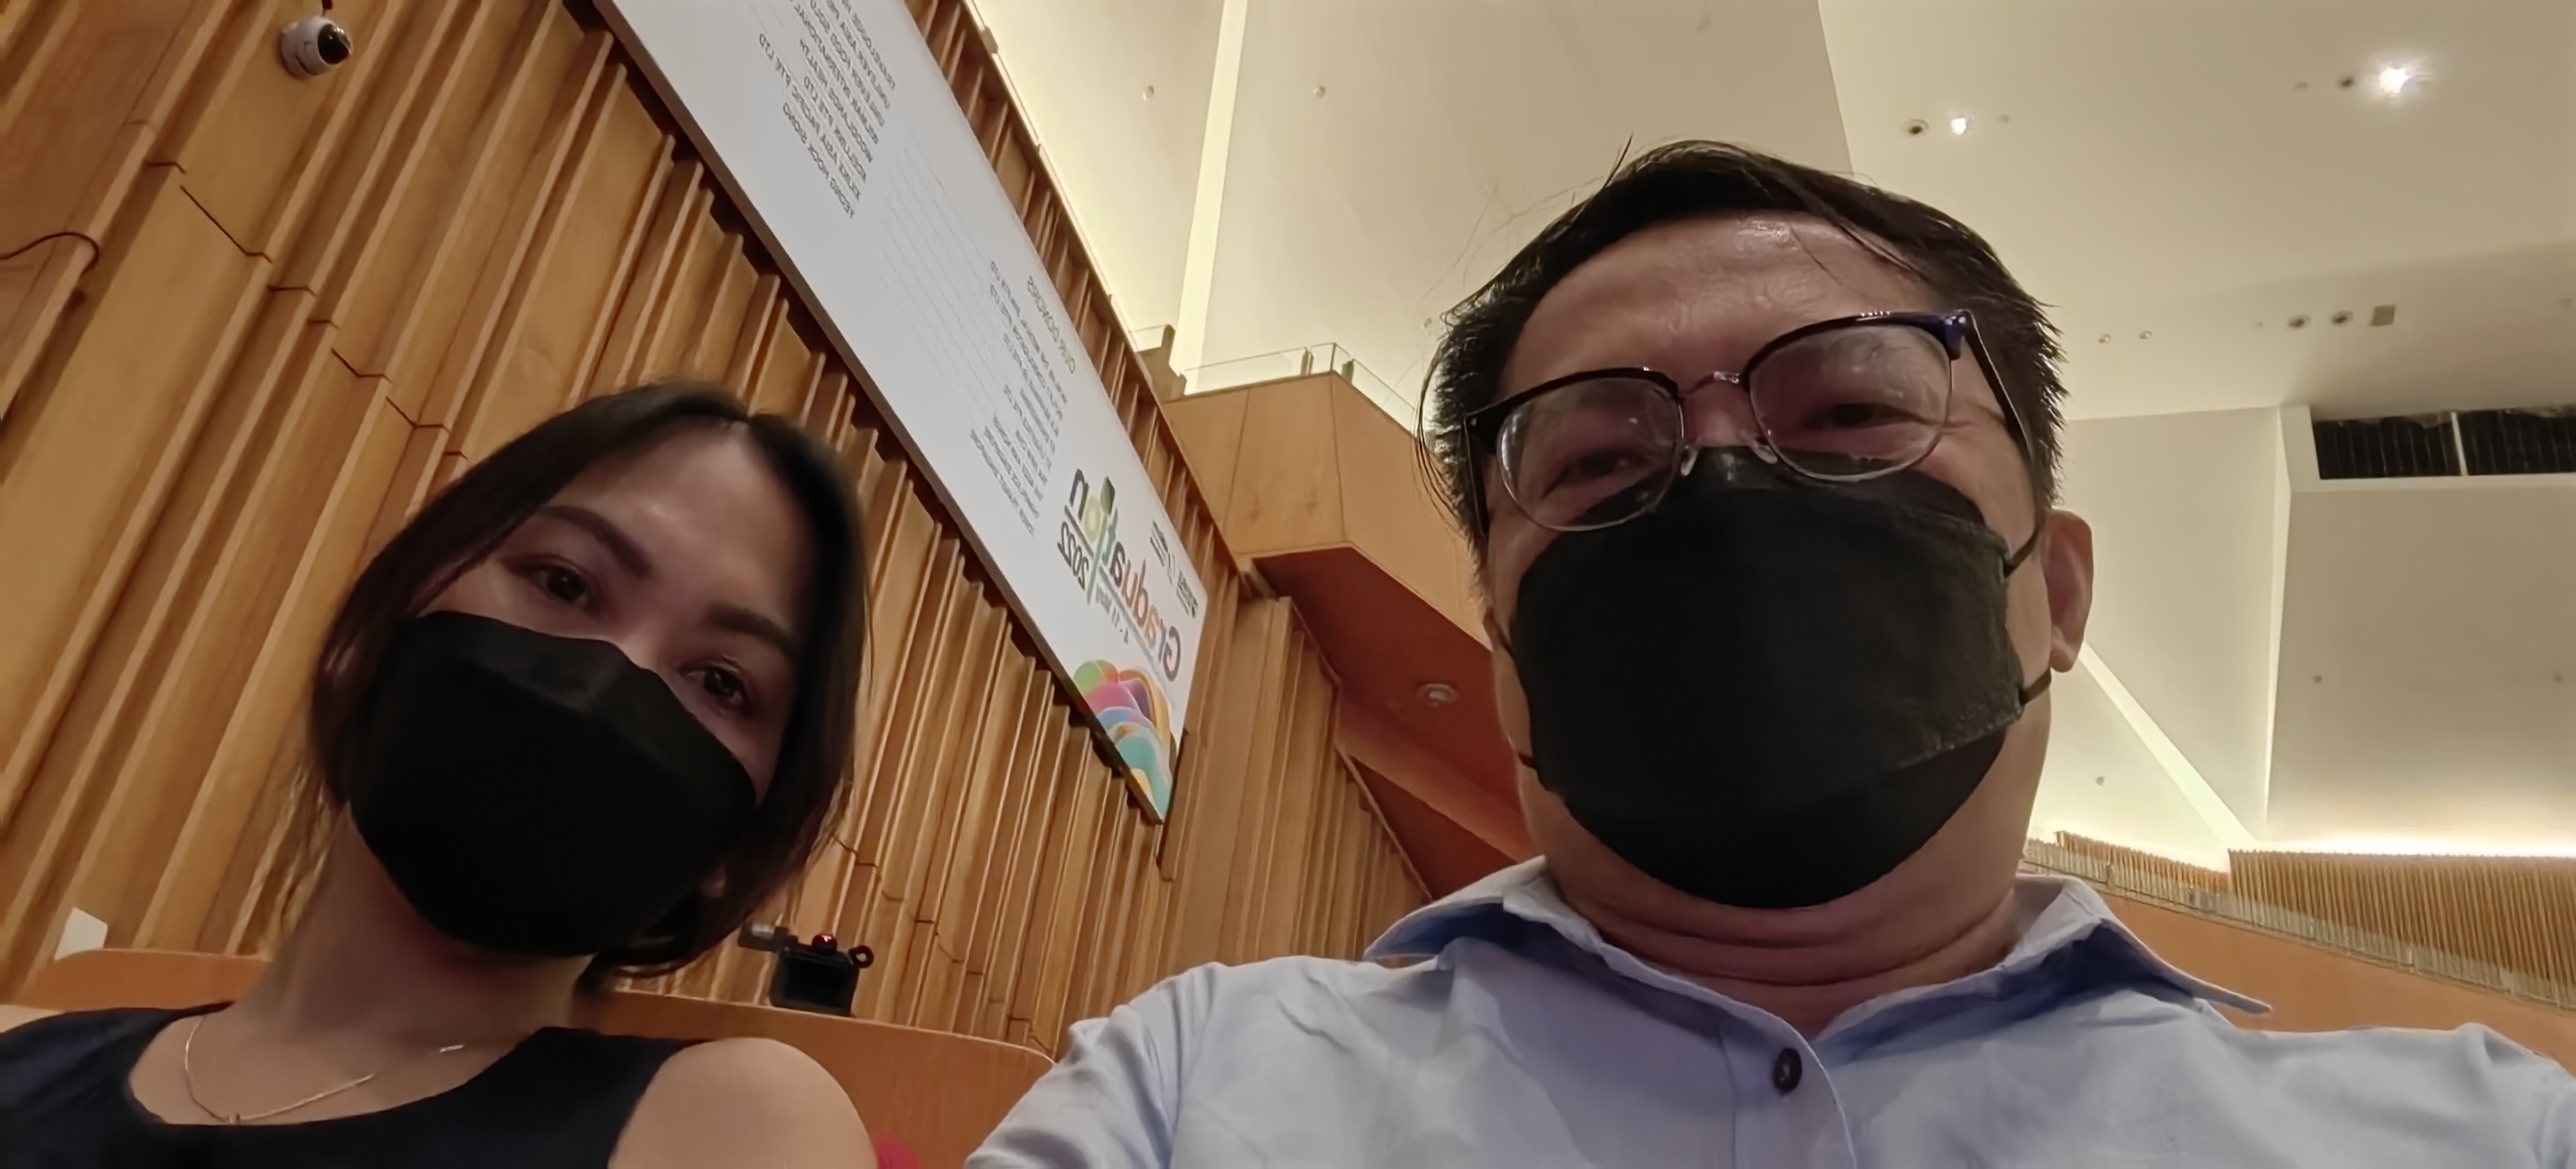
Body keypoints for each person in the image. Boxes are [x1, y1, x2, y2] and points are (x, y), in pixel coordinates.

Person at [969, 143, 2576, 1166]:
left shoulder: (2486, 1136)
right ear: (1503, 646)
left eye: (1854, 410)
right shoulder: (1195, 1091)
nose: (1727, 483)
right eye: (1603, 456)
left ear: (2059, 588)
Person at [0, 383, 877, 1168]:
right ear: (373, 630)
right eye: (564, 583)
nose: (604, 682)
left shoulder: (737, 1127)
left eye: (720, 682)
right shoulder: (17, 1051)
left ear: (738, 842)